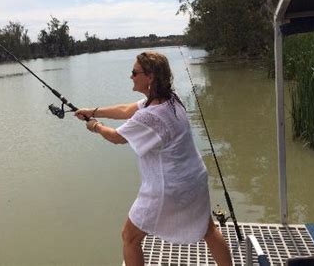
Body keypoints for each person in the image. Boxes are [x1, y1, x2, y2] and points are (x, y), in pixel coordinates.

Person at [75, 51, 232, 266]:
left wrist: (95, 126)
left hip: (169, 187)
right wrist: (93, 111)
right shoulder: (171, 100)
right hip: (194, 179)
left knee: (129, 238)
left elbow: (117, 138)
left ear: (150, 77)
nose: (131, 76)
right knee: (209, 230)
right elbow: (126, 109)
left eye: (134, 72)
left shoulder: (150, 115)